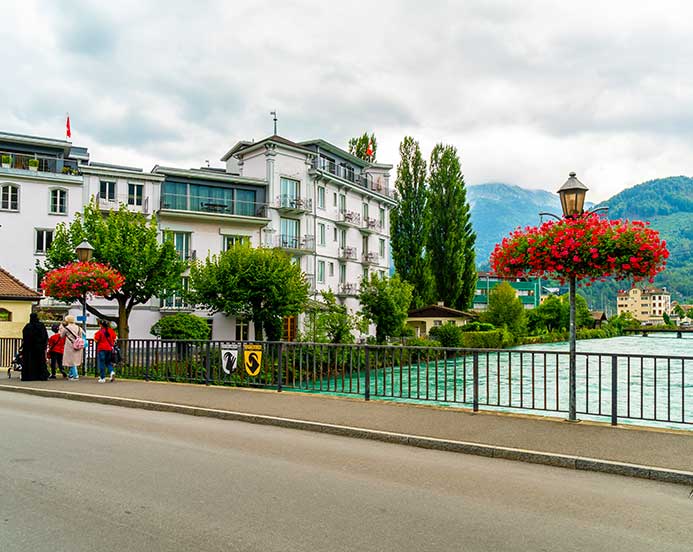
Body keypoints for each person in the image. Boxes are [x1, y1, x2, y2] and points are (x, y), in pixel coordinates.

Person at [21, 313, 49, 381]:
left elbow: (25, 337)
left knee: (29, 361)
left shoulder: (27, 326)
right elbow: (45, 336)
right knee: (40, 361)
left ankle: (29, 376)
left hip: (29, 348)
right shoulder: (41, 326)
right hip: (39, 347)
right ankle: (41, 375)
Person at [59, 314, 84, 380]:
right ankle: (71, 375)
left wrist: (61, 328)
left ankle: (75, 375)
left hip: (70, 345)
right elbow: (81, 336)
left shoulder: (66, 328)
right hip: (78, 345)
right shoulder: (78, 327)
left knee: (71, 361)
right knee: (74, 360)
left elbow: (61, 336)